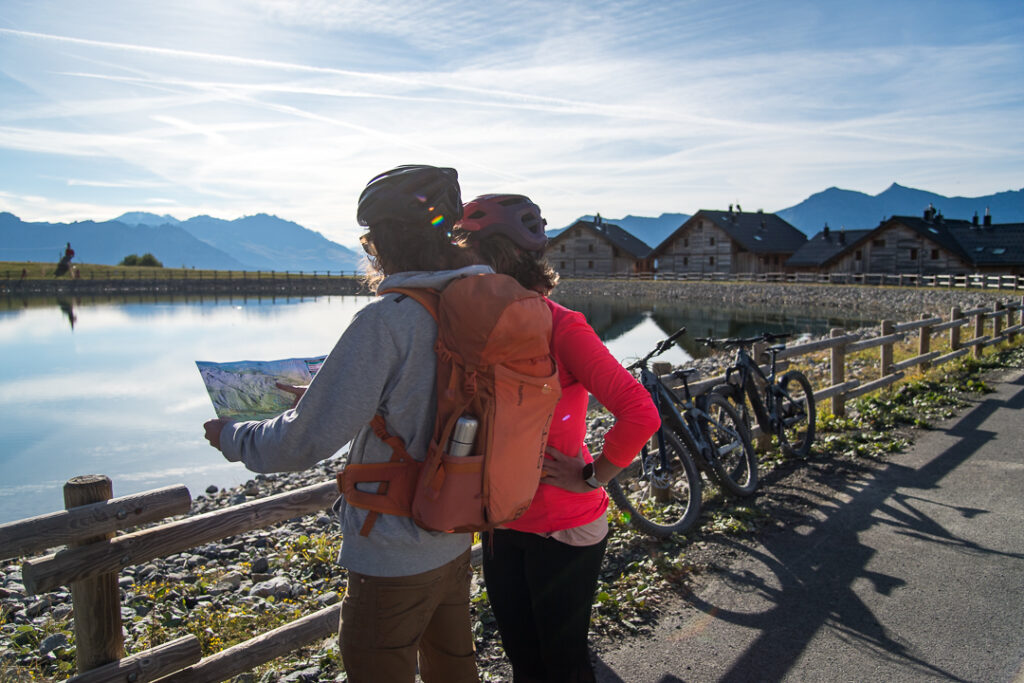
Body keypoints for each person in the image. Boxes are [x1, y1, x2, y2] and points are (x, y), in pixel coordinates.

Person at [203, 165, 487, 683]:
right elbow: (426, 397)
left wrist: (232, 436)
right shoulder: (473, 305)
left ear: (380, 243)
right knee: (453, 669)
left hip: (394, 545)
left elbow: (297, 443)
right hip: (455, 527)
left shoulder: (386, 321)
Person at [455, 194, 661, 683]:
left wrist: (594, 477)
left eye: (467, 255)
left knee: (562, 665)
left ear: (493, 259)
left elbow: (640, 412)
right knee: (524, 662)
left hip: (563, 528)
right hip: (502, 517)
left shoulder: (562, 325)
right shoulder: (469, 328)